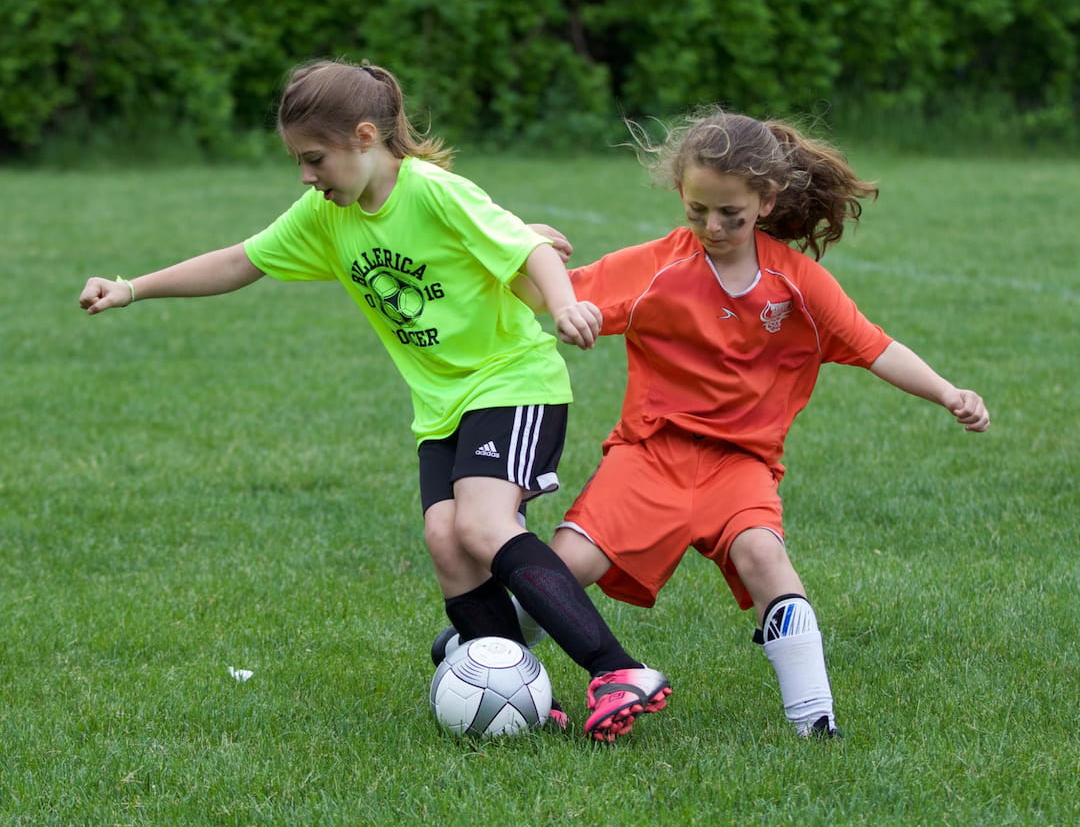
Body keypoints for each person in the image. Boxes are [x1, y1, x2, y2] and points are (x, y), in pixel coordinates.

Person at [78, 59, 670, 742]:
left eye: (313, 158)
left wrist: (565, 307)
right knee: (447, 542)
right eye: (298, 161)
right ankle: (526, 688)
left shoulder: (435, 193)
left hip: (513, 382)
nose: (305, 176)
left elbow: (530, 252)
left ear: (365, 137)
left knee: (481, 525)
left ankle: (617, 669)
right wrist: (131, 288)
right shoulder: (325, 217)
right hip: (440, 405)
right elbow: (241, 260)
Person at [513, 106, 990, 738]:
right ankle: (482, 656)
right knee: (563, 567)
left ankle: (815, 721)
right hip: (649, 456)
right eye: (696, 211)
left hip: (741, 467)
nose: (712, 227)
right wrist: (523, 252)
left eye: (730, 214)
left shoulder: (799, 286)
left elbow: (875, 346)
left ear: (766, 200)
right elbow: (550, 291)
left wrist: (947, 391)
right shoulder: (657, 266)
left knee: (765, 557)